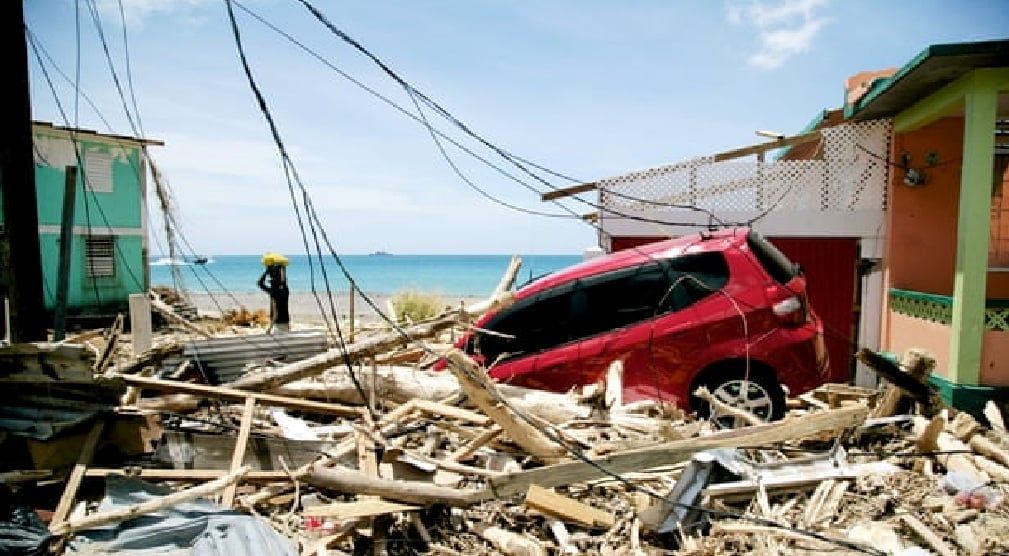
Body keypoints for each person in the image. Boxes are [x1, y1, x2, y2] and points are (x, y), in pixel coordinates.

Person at [258, 252, 290, 333]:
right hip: (286, 324)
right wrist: (282, 268)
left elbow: (275, 313)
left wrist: (266, 271)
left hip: (278, 326)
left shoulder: (273, 293)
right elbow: (283, 280)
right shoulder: (285, 291)